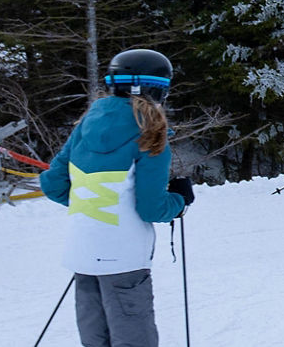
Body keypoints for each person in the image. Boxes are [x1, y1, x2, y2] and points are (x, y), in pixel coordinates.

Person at [40, 49, 195, 347]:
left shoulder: (87, 123)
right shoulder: (151, 133)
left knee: (95, 340)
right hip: (123, 258)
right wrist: (180, 200)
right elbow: (151, 208)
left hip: (82, 252)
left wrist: (93, 205)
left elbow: (52, 184)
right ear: (158, 90)